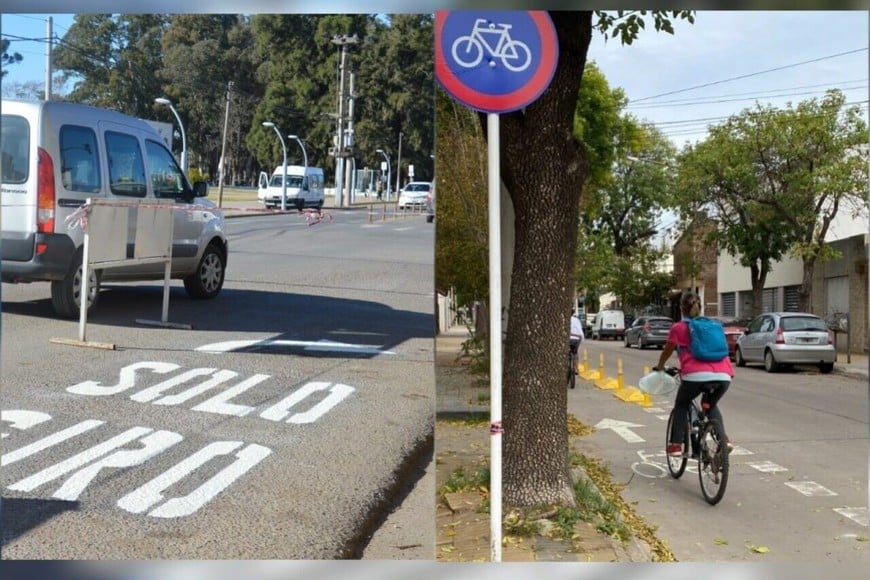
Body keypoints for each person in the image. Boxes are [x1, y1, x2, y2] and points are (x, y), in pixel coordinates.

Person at [654, 291, 734, 457]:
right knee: (710, 404)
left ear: (681, 308)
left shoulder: (679, 328)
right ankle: (724, 440)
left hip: (694, 376)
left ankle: (676, 445)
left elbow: (667, 351)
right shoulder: (714, 326)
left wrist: (660, 366)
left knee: (682, 403)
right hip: (724, 375)